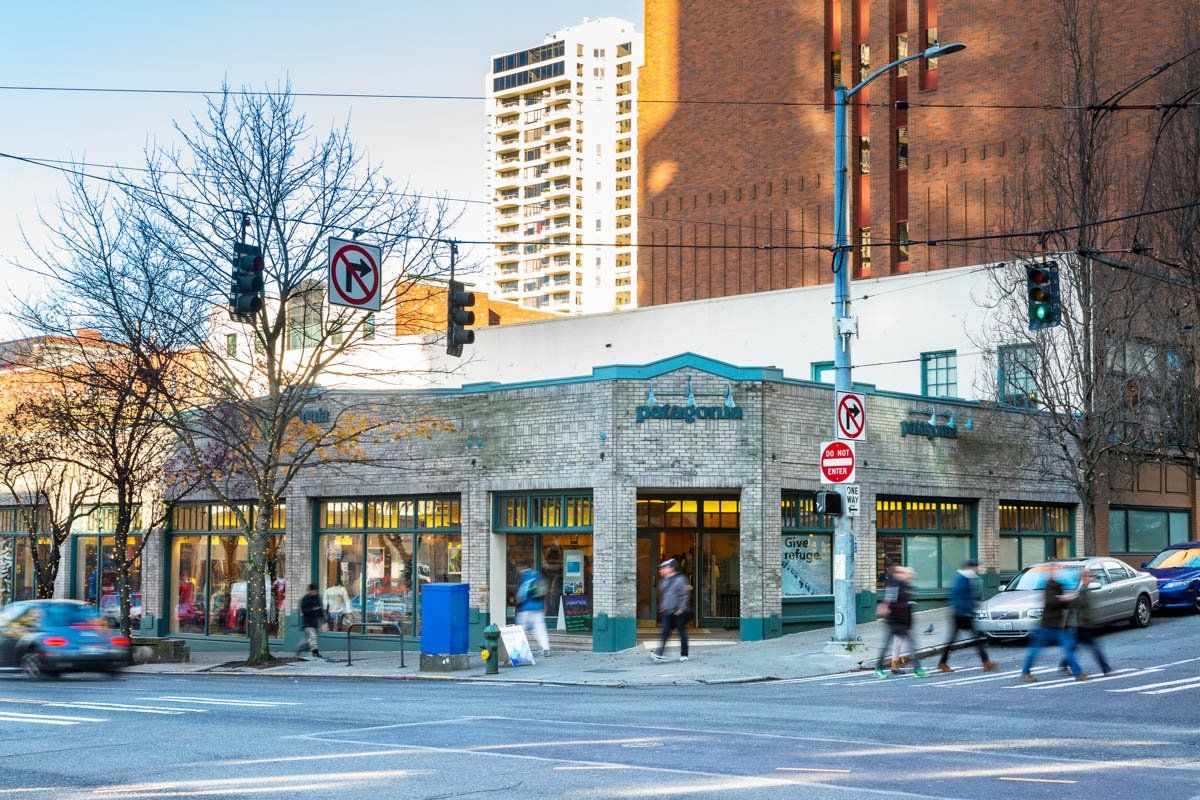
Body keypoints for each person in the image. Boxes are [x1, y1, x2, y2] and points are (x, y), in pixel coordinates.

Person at [1020, 566, 1084, 682]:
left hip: (1055, 625)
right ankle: (1078, 673)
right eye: (1052, 571)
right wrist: (1064, 598)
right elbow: (1051, 601)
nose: (1055, 573)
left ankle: (1078, 673)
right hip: (1048, 625)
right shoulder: (1049, 586)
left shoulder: (1057, 586)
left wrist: (1068, 599)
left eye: (1055, 571)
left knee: (1067, 648)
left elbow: (1062, 605)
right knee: (1036, 650)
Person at [937, 559, 998, 673]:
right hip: (961, 614)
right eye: (976, 567)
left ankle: (985, 662)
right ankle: (943, 663)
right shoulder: (961, 579)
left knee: (972, 639)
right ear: (970, 567)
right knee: (971, 639)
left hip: (964, 613)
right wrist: (966, 610)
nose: (977, 569)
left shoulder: (967, 577)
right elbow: (958, 597)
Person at [875, 566, 926, 678]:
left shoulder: (907, 585)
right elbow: (888, 601)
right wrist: (885, 607)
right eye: (903, 572)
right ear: (897, 573)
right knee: (887, 646)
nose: (905, 574)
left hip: (904, 620)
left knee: (911, 644)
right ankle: (879, 669)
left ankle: (917, 668)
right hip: (894, 620)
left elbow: (908, 600)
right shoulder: (894, 584)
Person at [1065, 567, 1112, 675]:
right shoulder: (1082, 591)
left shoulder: (1085, 589)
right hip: (1084, 626)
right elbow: (1076, 607)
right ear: (1084, 578)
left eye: (1091, 576)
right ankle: (1104, 667)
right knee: (1094, 647)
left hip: (1085, 625)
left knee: (1076, 647)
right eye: (1090, 576)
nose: (1092, 579)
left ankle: (1064, 664)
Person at [653, 559, 691, 662]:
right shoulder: (665, 580)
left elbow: (684, 595)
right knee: (665, 632)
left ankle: (684, 654)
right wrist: (663, 606)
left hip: (678, 612)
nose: (662, 570)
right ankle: (659, 653)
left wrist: (681, 609)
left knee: (681, 632)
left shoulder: (680, 579)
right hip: (668, 611)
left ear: (671, 568)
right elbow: (665, 595)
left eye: (664, 568)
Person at [516, 565, 551, 658]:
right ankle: (546, 648)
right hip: (539, 607)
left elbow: (521, 595)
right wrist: (544, 606)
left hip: (526, 608)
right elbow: (543, 591)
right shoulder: (537, 575)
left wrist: (518, 603)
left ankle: (519, 650)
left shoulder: (524, 577)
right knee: (540, 629)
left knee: (520, 629)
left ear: (521, 567)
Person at [295, 583, 323, 660]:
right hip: (308, 622)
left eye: (316, 591)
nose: (315, 592)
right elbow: (303, 611)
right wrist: (313, 609)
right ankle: (315, 653)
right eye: (314, 590)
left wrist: (322, 619)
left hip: (315, 621)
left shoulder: (317, 597)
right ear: (310, 590)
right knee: (313, 637)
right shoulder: (305, 599)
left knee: (311, 638)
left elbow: (320, 608)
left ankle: (301, 646)